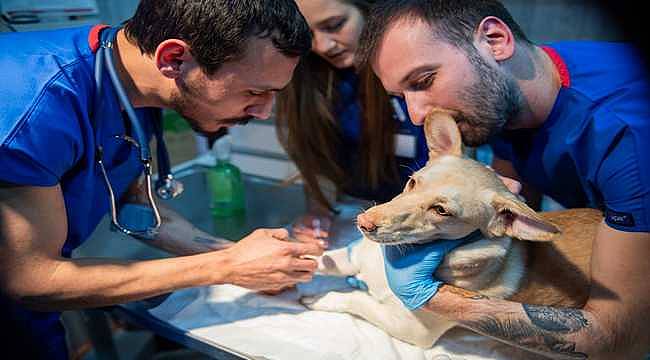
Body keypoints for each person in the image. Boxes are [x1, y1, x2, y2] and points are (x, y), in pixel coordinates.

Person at [0, 1, 326, 358]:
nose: (264, 111)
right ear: (173, 59)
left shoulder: (132, 77)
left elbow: (136, 205)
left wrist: (243, 257)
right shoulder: (34, 108)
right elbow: (31, 280)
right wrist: (226, 266)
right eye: (253, 92)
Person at [355, 0, 650, 358]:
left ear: (495, 40)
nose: (417, 116)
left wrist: (438, 299)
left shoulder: (626, 138)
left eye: (424, 81)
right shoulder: (505, 96)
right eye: (403, 96)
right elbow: (509, 191)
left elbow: (615, 337)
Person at [276, 0, 429, 234]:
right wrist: (319, 214)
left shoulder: (422, 67)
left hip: (425, 217)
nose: (323, 46)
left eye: (335, 25)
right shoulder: (314, 79)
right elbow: (320, 161)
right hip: (356, 214)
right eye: (308, 35)